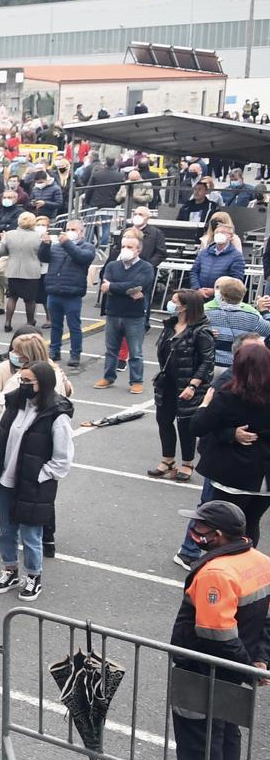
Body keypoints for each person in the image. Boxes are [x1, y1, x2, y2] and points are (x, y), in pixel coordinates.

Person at [147, 499, 270, 760]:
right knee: (227, 734)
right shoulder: (260, 561)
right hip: (235, 669)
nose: (193, 532)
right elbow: (267, 622)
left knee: (199, 743)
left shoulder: (217, 572)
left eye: (200, 528)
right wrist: (259, 662)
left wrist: (250, 668)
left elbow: (215, 634)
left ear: (218, 536)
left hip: (203, 671)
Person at [0, 360, 74, 599]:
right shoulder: (14, 403)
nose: (22, 385)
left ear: (42, 384)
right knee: (7, 531)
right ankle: (10, 570)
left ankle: (33, 577)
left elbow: (62, 459)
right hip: (4, 481)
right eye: (20, 380)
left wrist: (39, 476)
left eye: (27, 381)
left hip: (32, 486)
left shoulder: (57, 415)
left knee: (32, 535)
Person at [176, 339, 270, 569]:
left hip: (233, 474)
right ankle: (244, 567)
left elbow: (198, 426)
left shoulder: (229, 396)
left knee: (222, 526)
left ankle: (219, 567)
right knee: (251, 523)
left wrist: (205, 404)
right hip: (265, 478)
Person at [152, 291, 219, 485]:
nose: (170, 304)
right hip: (167, 382)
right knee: (164, 420)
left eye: (174, 301)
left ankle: (187, 463)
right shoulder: (170, 325)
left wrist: (193, 385)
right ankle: (168, 459)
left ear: (185, 307)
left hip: (188, 385)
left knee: (185, 424)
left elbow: (207, 361)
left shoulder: (201, 330)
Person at [96, 228, 157, 391]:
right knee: (111, 350)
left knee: (135, 352)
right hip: (113, 313)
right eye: (124, 246)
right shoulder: (112, 266)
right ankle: (108, 377)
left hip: (134, 316)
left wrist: (114, 287)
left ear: (138, 250)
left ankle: (136, 381)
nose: (125, 250)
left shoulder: (146, 267)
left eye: (130, 247)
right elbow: (105, 285)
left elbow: (138, 285)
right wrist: (128, 290)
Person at [38, 219, 96, 369]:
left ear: (81, 232)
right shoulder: (57, 247)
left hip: (73, 293)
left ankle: (75, 354)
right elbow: (43, 257)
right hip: (54, 291)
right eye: (68, 229)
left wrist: (66, 243)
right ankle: (54, 350)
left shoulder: (87, 247)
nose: (70, 232)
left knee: (74, 326)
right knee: (56, 325)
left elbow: (81, 257)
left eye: (73, 229)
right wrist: (45, 244)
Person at [0, 211, 46, 331]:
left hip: (13, 270)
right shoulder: (38, 236)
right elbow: (42, 253)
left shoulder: (10, 234)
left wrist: (3, 240)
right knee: (30, 300)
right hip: (31, 271)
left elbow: (0, 251)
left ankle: (8, 322)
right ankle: (29, 322)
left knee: (12, 297)